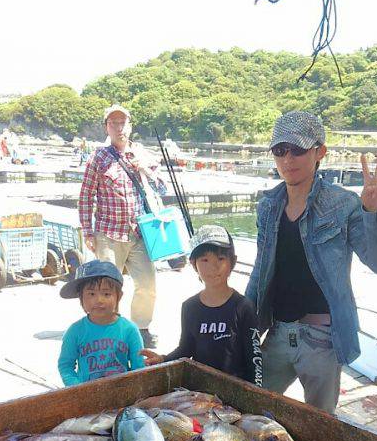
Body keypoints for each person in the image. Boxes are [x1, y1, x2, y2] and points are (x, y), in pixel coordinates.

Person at [246, 110, 377, 414]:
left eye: (298, 149)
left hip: (323, 340)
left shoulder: (344, 204)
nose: (288, 159)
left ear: (319, 152)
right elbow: (260, 271)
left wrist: (374, 212)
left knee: (320, 423)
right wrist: (243, 321)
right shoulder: (268, 206)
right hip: (277, 332)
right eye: (280, 150)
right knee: (252, 408)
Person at [78, 104, 166, 349]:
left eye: (123, 123)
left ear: (130, 126)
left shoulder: (142, 154)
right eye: (113, 123)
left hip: (139, 233)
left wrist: (145, 168)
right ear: (106, 127)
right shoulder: (98, 157)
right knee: (107, 286)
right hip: (108, 233)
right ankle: (108, 328)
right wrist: (87, 230)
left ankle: (141, 328)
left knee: (147, 284)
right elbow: (86, 196)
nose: (119, 127)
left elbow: (162, 188)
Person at [141, 225, 263, 386]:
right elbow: (186, 348)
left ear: (232, 261)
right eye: (205, 260)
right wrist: (163, 359)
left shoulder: (243, 306)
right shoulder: (190, 307)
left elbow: (254, 357)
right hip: (201, 389)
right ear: (194, 264)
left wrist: (256, 392)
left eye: (220, 258)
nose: (213, 267)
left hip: (236, 388)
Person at [58, 259, 145, 386]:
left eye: (106, 294)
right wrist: (76, 389)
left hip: (123, 393)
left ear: (118, 296)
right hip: (86, 395)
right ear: (81, 298)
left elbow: (139, 367)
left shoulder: (129, 330)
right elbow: (66, 366)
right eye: (91, 294)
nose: (99, 300)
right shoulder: (75, 331)